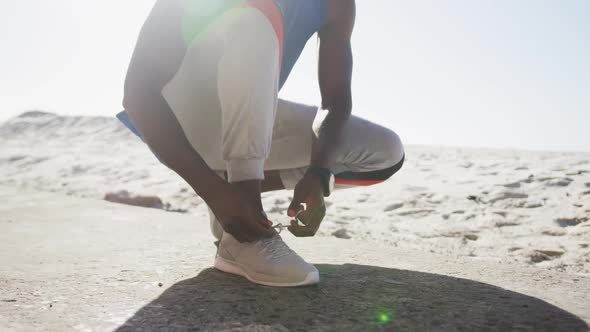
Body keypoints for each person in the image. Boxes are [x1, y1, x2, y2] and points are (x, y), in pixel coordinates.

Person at [118, 0, 404, 287]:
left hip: (245, 120)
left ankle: (236, 198)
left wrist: (319, 172)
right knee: (257, 13)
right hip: (178, 122)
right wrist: (209, 190)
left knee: (385, 151)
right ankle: (246, 227)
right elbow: (138, 94)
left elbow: (335, 101)